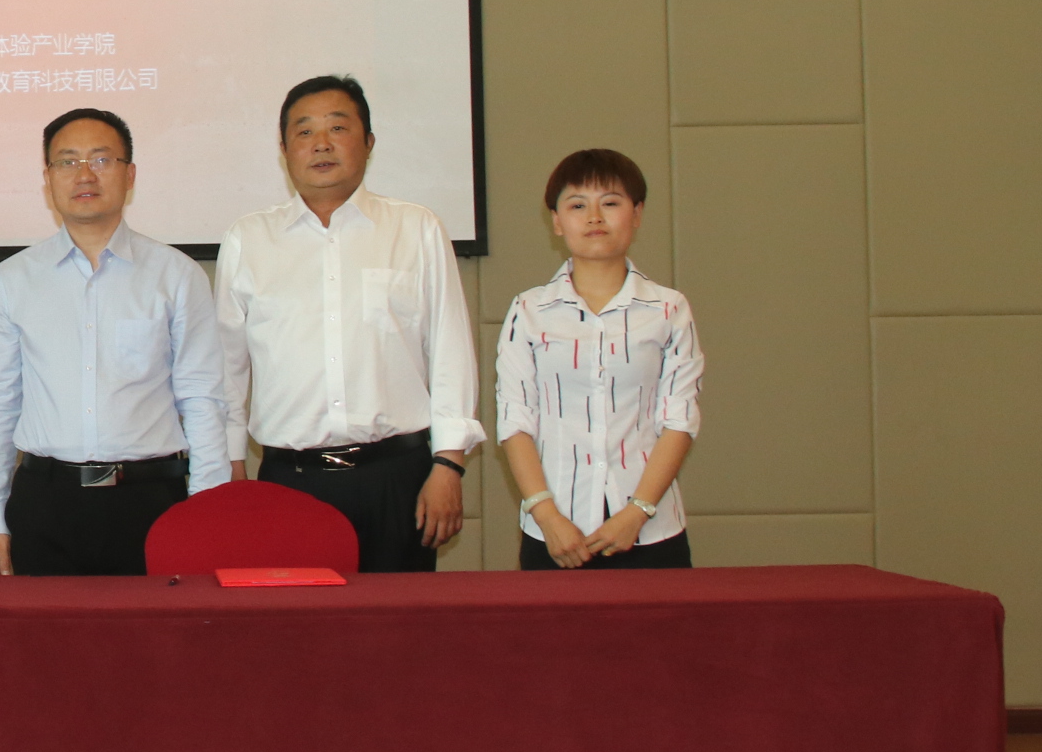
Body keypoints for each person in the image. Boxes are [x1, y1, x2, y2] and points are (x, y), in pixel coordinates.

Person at [215, 75, 482, 572]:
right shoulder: (248, 239)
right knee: (299, 621)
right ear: (284, 149)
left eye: (338, 127)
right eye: (304, 131)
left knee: (399, 619)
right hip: (291, 481)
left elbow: (450, 352)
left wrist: (448, 463)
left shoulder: (416, 229)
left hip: (398, 477)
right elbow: (227, 368)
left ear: (369, 142)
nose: (321, 143)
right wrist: (229, 464)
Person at [0, 108, 226, 577]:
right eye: (67, 162)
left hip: (151, 502)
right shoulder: (13, 280)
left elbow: (202, 399)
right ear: (48, 178)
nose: (84, 174)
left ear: (130, 174)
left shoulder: (177, 275)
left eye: (102, 160)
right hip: (44, 504)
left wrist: (206, 511)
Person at [496, 148, 702, 570]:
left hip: (652, 529)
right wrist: (547, 516)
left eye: (610, 203)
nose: (594, 217)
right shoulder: (528, 310)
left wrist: (637, 512)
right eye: (577, 205)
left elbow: (679, 420)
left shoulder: (669, 309)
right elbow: (515, 421)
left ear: (637, 214)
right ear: (556, 221)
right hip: (554, 533)